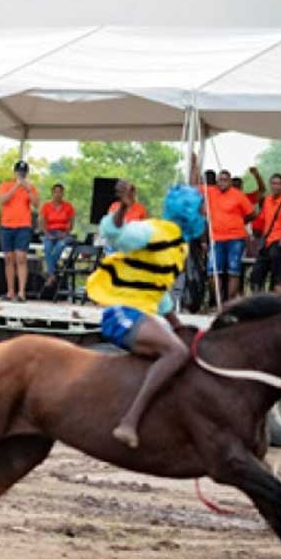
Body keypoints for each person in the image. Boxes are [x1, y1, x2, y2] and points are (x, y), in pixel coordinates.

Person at [87, 184, 205, 449]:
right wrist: (124, 208)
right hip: (122, 311)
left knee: (181, 349)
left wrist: (178, 326)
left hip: (143, 312)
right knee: (176, 353)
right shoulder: (156, 230)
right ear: (189, 213)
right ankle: (129, 421)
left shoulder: (179, 246)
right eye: (201, 208)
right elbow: (115, 234)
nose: (205, 213)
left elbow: (157, 289)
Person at [204, 169, 257, 304]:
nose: (222, 183)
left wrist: (241, 221)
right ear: (216, 181)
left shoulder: (238, 195)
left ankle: (229, 304)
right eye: (220, 180)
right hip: (216, 238)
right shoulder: (210, 192)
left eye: (225, 180)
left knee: (234, 271)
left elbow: (252, 213)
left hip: (236, 238)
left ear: (230, 182)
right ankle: (218, 302)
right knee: (212, 272)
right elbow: (193, 185)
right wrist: (194, 162)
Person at [0, 159, 39, 301]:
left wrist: (27, 188)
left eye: (23, 172)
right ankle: (10, 291)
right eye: (19, 172)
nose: (21, 175)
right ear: (15, 172)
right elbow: (3, 200)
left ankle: (21, 292)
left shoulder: (30, 187)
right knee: (9, 258)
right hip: (7, 225)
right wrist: (16, 186)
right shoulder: (6, 185)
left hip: (23, 226)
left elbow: (36, 204)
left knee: (21, 258)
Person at [248, 172, 281, 292]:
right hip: (266, 241)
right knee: (257, 272)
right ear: (270, 185)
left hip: (279, 241)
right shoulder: (267, 200)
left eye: (279, 184)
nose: (276, 186)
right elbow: (261, 221)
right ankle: (259, 300)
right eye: (273, 183)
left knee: (277, 273)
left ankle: (276, 300)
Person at [40, 183, 75, 285]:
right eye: (55, 192)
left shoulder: (68, 207)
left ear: (63, 193)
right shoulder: (46, 206)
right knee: (47, 248)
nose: (57, 194)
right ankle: (52, 274)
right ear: (52, 193)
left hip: (63, 233)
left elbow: (71, 224)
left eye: (60, 192)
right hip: (50, 232)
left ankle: (50, 272)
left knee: (60, 245)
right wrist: (47, 233)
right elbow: (42, 222)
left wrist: (65, 233)